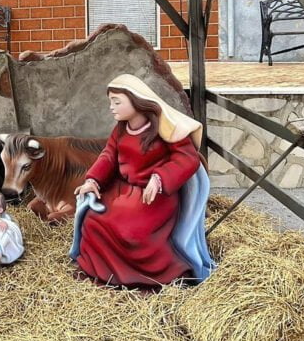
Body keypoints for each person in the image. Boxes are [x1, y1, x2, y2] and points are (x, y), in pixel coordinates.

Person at [69, 74, 215, 288]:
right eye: (111, 101)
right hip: (123, 191)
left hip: (155, 196)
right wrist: (93, 180)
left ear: (135, 100)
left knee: (132, 232)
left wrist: (159, 178)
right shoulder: (121, 129)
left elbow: (187, 158)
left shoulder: (164, 128)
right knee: (94, 219)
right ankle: (103, 273)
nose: (111, 107)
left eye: (117, 102)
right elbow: (108, 156)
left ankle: (159, 277)